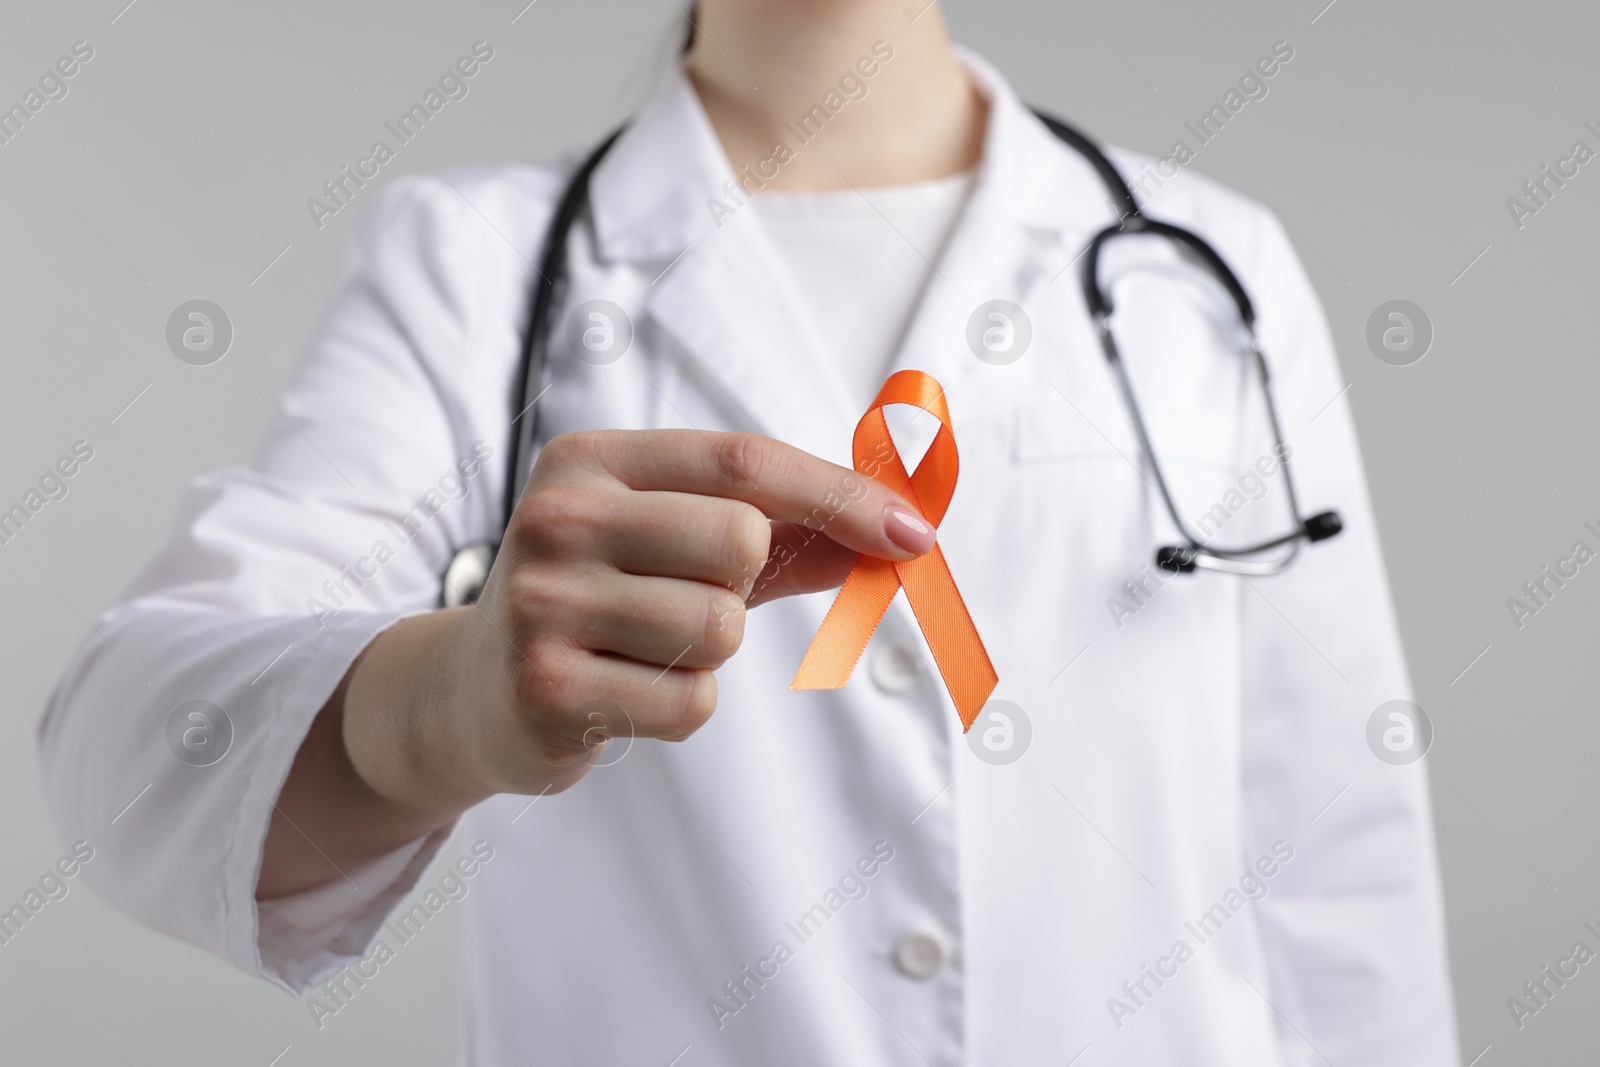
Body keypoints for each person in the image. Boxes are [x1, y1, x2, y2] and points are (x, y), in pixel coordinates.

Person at [38, 0, 1460, 1063]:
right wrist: (441, 703)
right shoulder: (474, 265)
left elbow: (1339, 872)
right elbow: (129, 753)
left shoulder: (1207, 266)